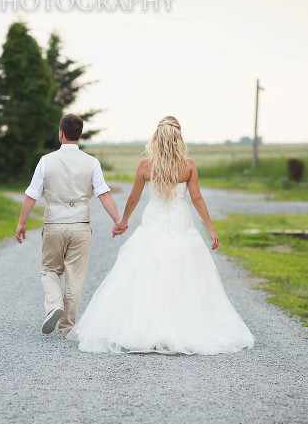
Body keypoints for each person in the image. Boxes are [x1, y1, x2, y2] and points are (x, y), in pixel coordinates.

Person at [66, 116, 255, 354]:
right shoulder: (188, 165)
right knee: (183, 271)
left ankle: (145, 326)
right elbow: (196, 198)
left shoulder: (146, 166)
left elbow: (134, 198)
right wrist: (211, 228)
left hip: (153, 223)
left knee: (148, 270)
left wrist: (123, 221)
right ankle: (184, 326)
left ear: (157, 137)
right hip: (180, 224)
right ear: (179, 138)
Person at [16, 114, 124, 336]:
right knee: (75, 276)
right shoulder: (92, 162)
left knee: (49, 269)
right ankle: (67, 327)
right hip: (81, 224)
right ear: (80, 134)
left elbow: (31, 195)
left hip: (55, 222)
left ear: (61, 133)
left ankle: (55, 303)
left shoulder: (46, 161)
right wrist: (117, 220)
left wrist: (22, 223)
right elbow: (103, 193)